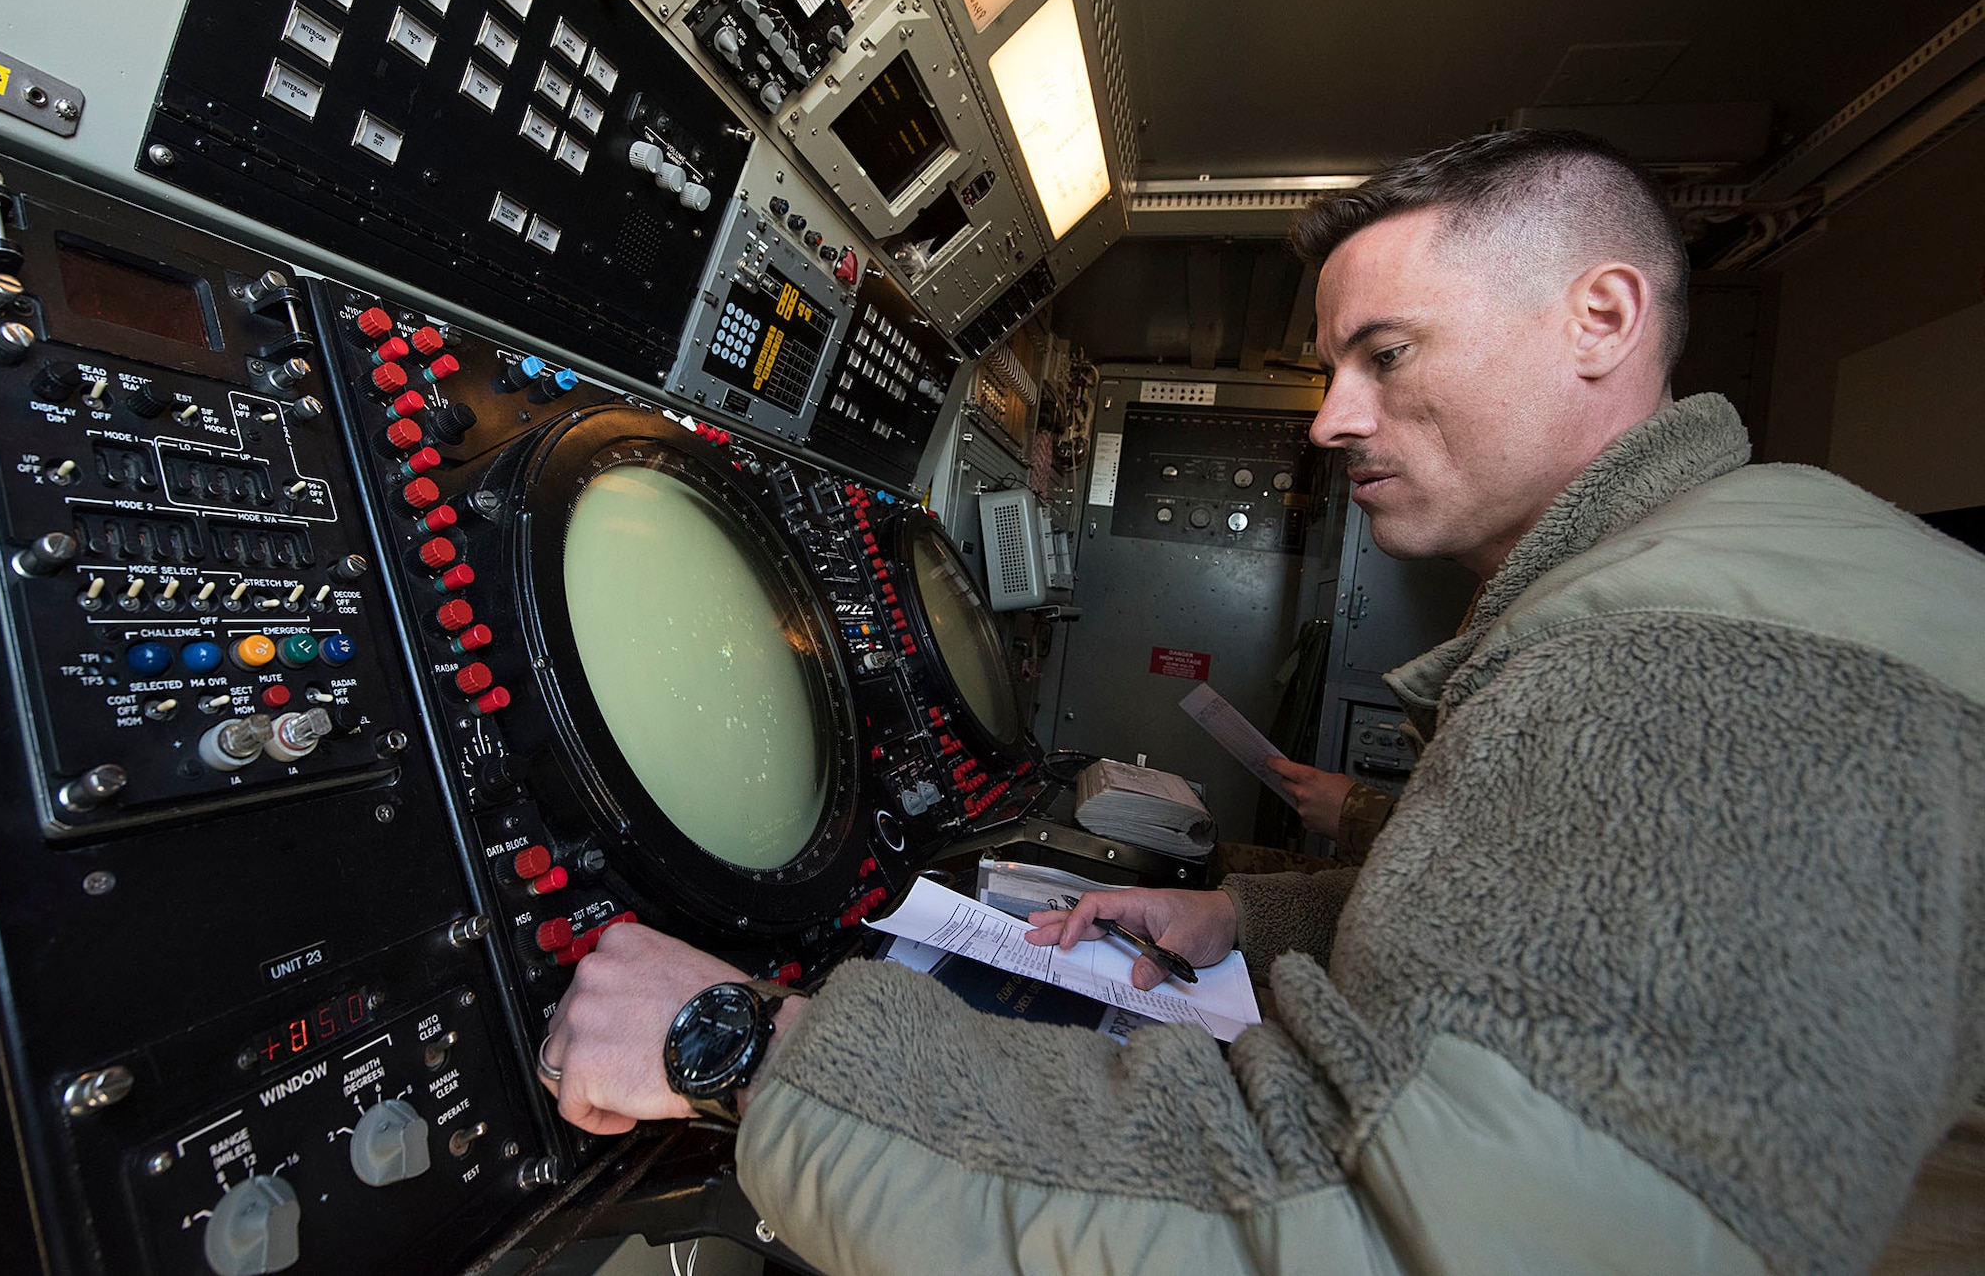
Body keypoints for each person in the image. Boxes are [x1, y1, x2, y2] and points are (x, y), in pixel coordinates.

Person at [538, 129, 1985, 1274]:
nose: (1333, 415)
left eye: (1387, 354)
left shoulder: (1708, 672)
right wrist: (1260, 914)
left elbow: (1386, 1236)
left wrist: (748, 1047)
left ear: (1598, 316)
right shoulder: (1735, 585)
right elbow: (1523, 963)